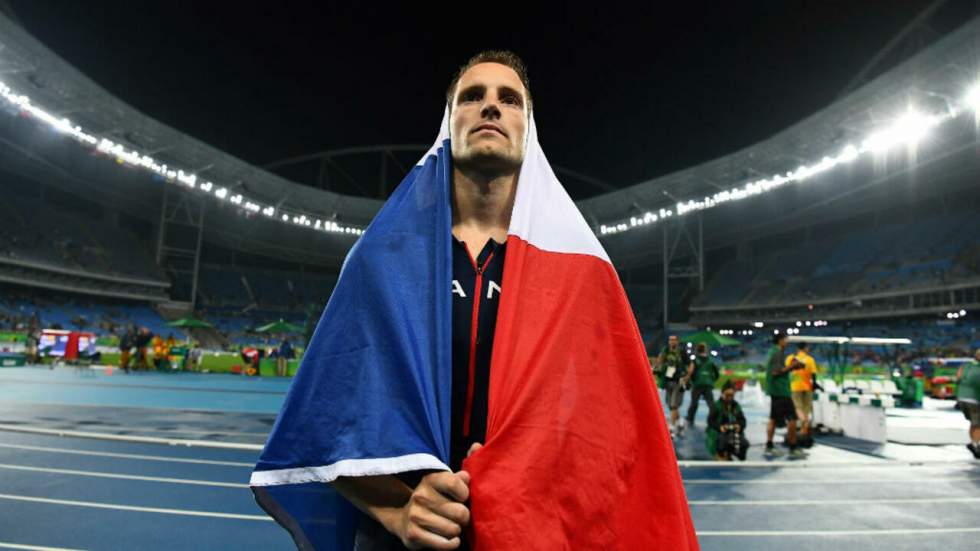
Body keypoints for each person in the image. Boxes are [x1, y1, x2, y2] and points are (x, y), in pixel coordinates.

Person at [250, 50, 697, 550]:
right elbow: (328, 418)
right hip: (403, 540)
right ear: (449, 123)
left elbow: (607, 434)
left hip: (529, 531)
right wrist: (398, 508)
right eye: (472, 97)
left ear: (529, 129)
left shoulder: (581, 273)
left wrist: (521, 467)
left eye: (509, 99)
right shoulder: (381, 259)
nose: (490, 107)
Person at [765, 334, 807, 459]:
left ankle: (769, 445)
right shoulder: (777, 353)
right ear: (780, 340)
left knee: (773, 418)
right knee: (792, 418)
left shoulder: (773, 352)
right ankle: (793, 447)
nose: (787, 342)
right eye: (786, 339)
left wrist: (790, 367)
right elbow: (776, 372)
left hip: (776, 390)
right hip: (781, 391)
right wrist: (793, 366)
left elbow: (778, 370)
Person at [706, 380, 748, 461]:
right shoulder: (716, 405)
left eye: (732, 395)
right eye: (727, 395)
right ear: (722, 393)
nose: (730, 398)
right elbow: (710, 421)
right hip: (719, 433)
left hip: (733, 433)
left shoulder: (736, 406)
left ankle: (735, 453)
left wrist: (739, 425)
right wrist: (720, 427)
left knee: (744, 444)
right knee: (722, 441)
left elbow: (743, 420)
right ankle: (721, 454)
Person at [787, 342, 818, 447]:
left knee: (797, 408)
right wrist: (814, 385)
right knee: (806, 410)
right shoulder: (810, 359)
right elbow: (814, 374)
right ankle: (804, 433)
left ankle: (803, 428)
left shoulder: (791, 358)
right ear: (805, 348)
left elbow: (786, 371)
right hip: (807, 387)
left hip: (795, 387)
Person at [656, 335, 688, 436]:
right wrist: (655, 367)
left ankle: (672, 427)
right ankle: (681, 421)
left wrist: (687, 376)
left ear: (677, 341)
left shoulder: (682, 352)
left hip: (679, 381)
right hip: (667, 381)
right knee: (670, 405)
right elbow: (659, 360)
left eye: (674, 340)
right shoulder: (665, 350)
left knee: (674, 405)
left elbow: (691, 364)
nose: (672, 341)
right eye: (670, 340)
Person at [684, 342, 719, 427]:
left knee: (694, 403)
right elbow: (717, 373)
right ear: (705, 350)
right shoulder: (710, 360)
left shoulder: (695, 360)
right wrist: (711, 380)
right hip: (708, 384)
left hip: (697, 384)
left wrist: (687, 380)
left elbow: (690, 372)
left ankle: (690, 418)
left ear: (697, 350)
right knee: (711, 403)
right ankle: (713, 419)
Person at [955, 348, 980, 460]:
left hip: (962, 398)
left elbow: (958, 377)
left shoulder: (966, 365)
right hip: (974, 398)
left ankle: (973, 443)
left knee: (974, 423)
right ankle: (975, 445)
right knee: (978, 424)